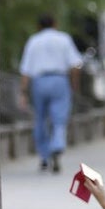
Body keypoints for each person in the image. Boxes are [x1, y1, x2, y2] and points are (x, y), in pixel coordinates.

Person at [19, 13, 84, 173]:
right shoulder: (64, 39)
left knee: (40, 118)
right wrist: (74, 84)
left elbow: (25, 70)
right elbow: (75, 64)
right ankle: (57, 146)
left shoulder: (33, 41)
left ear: (39, 26)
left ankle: (44, 156)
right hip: (59, 80)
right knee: (59, 118)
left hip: (39, 82)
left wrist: (23, 92)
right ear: (55, 23)